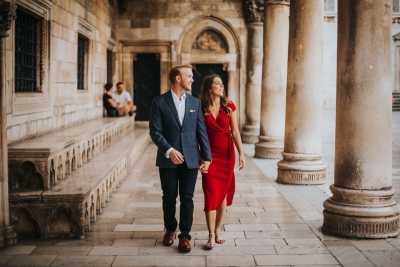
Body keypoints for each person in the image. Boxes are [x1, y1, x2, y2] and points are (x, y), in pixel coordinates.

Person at [149, 65, 212, 252]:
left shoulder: (195, 102)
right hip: (168, 159)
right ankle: (170, 229)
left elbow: (201, 131)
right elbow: (155, 132)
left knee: (187, 197)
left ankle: (185, 235)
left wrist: (207, 157)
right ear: (178, 78)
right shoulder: (159, 102)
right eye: (189, 76)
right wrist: (169, 150)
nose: (192, 79)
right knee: (169, 197)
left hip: (191, 158)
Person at [199, 74, 245, 249]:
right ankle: (210, 235)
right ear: (209, 87)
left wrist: (241, 153)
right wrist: (200, 157)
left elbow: (234, 132)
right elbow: (198, 135)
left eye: (221, 83)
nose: (221, 86)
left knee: (223, 194)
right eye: (217, 83)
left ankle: (218, 230)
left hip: (227, 155)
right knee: (211, 193)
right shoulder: (201, 107)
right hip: (210, 156)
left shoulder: (229, 106)